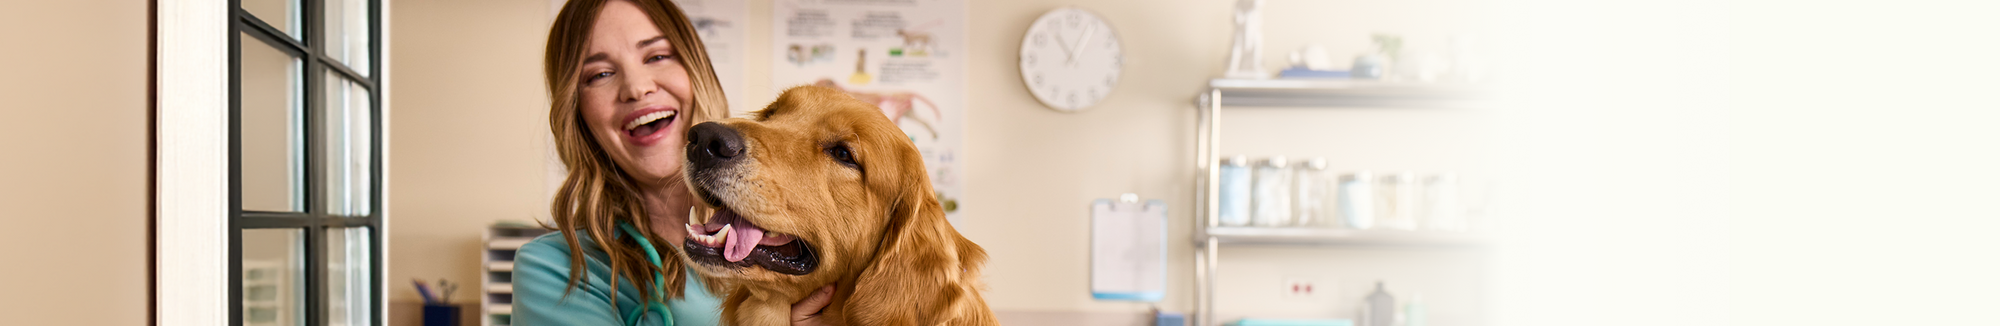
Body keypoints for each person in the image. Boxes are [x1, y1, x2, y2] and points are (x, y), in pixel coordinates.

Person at [511, 1, 835, 325]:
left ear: (696, 70)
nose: (637, 88)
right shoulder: (554, 268)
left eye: (657, 56)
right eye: (600, 74)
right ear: (577, 112)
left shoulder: (794, 243)